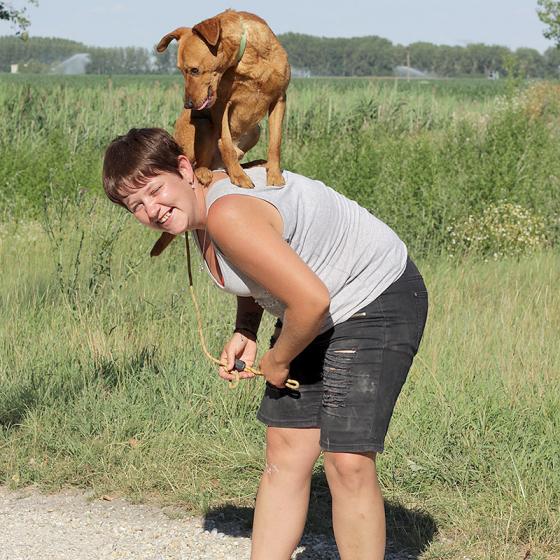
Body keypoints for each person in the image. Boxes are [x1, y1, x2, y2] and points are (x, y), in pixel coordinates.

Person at [102, 127, 428, 560]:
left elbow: (311, 302)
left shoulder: (227, 213)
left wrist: (278, 359)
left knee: (347, 461)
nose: (152, 210)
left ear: (184, 169)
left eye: (155, 190)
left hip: (374, 296)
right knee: (285, 454)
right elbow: (260, 270)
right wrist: (246, 329)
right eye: (136, 206)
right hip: (316, 309)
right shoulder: (201, 211)